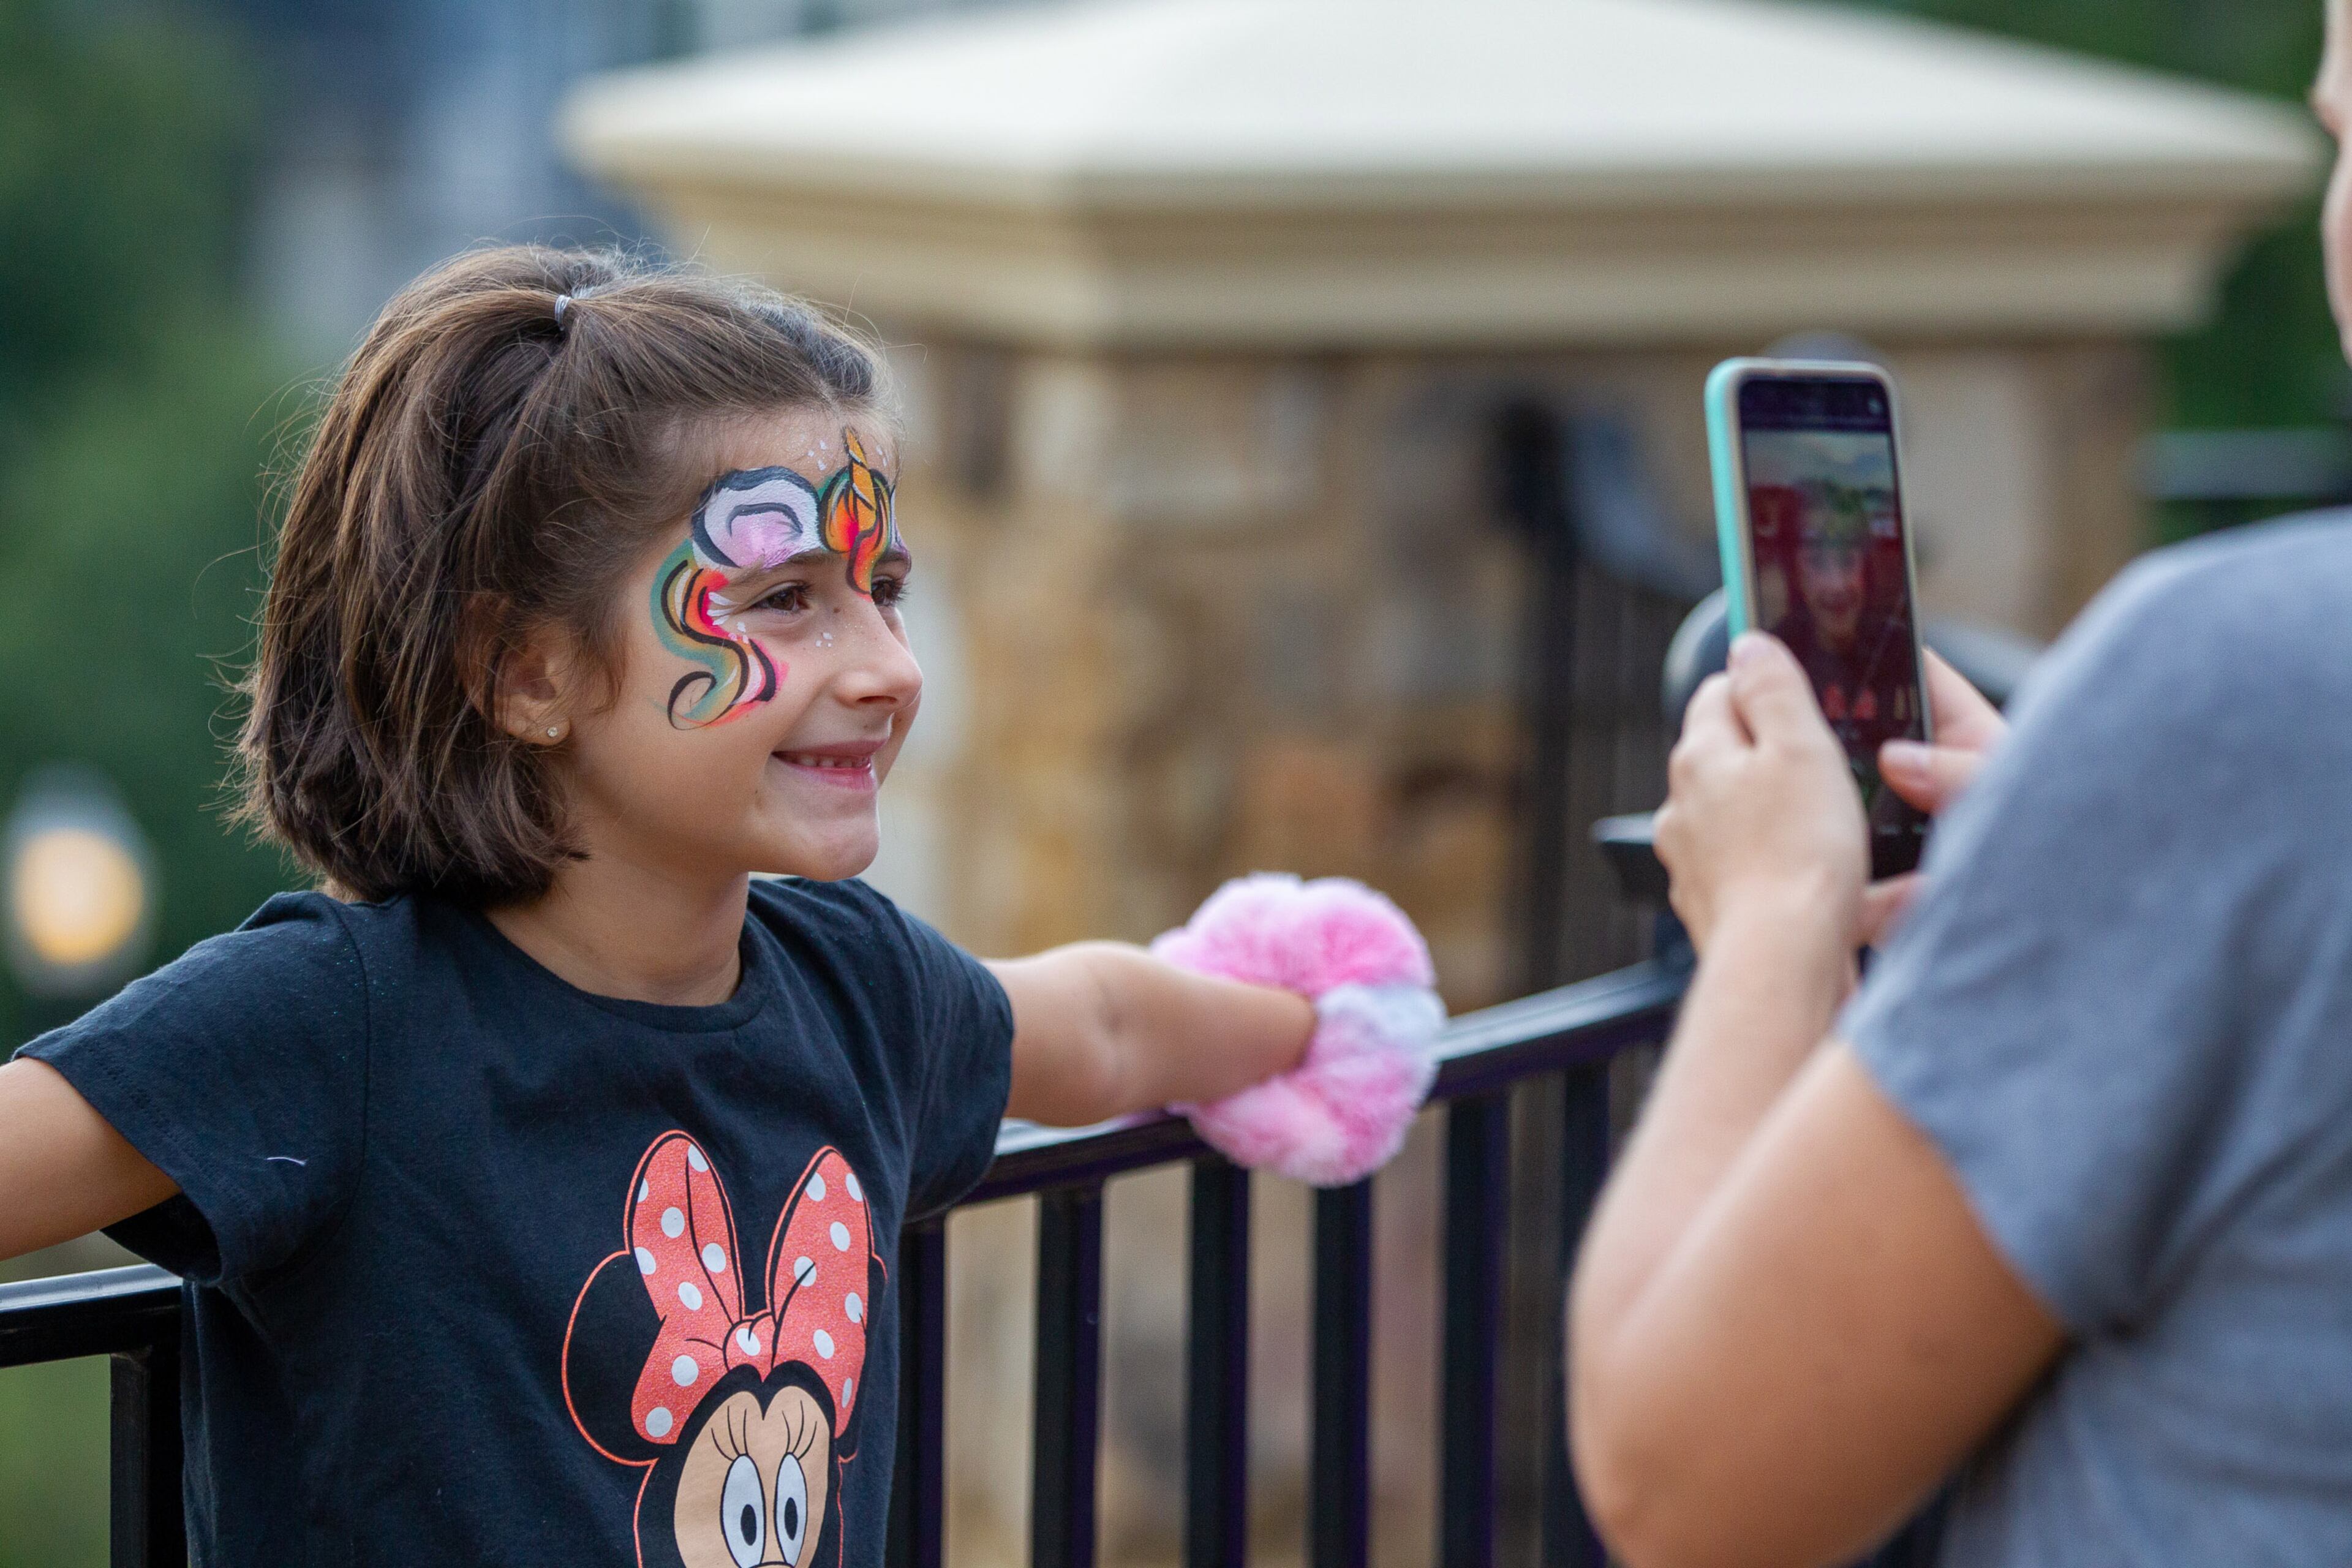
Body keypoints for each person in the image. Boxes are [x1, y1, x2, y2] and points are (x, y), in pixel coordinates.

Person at [0, 247, 1436, 1567]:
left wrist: (1324, 1014)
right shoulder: (335, 1022)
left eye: (882, 587)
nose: (887, 664)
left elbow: (1107, 1023)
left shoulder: (860, 990)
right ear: (526, 671)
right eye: (788, 599)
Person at [1568, 6, 2352, 1564]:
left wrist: (1778, 922)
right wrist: (2101, 886)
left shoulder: (2259, 685)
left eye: (2344, 134)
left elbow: (1684, 1478)